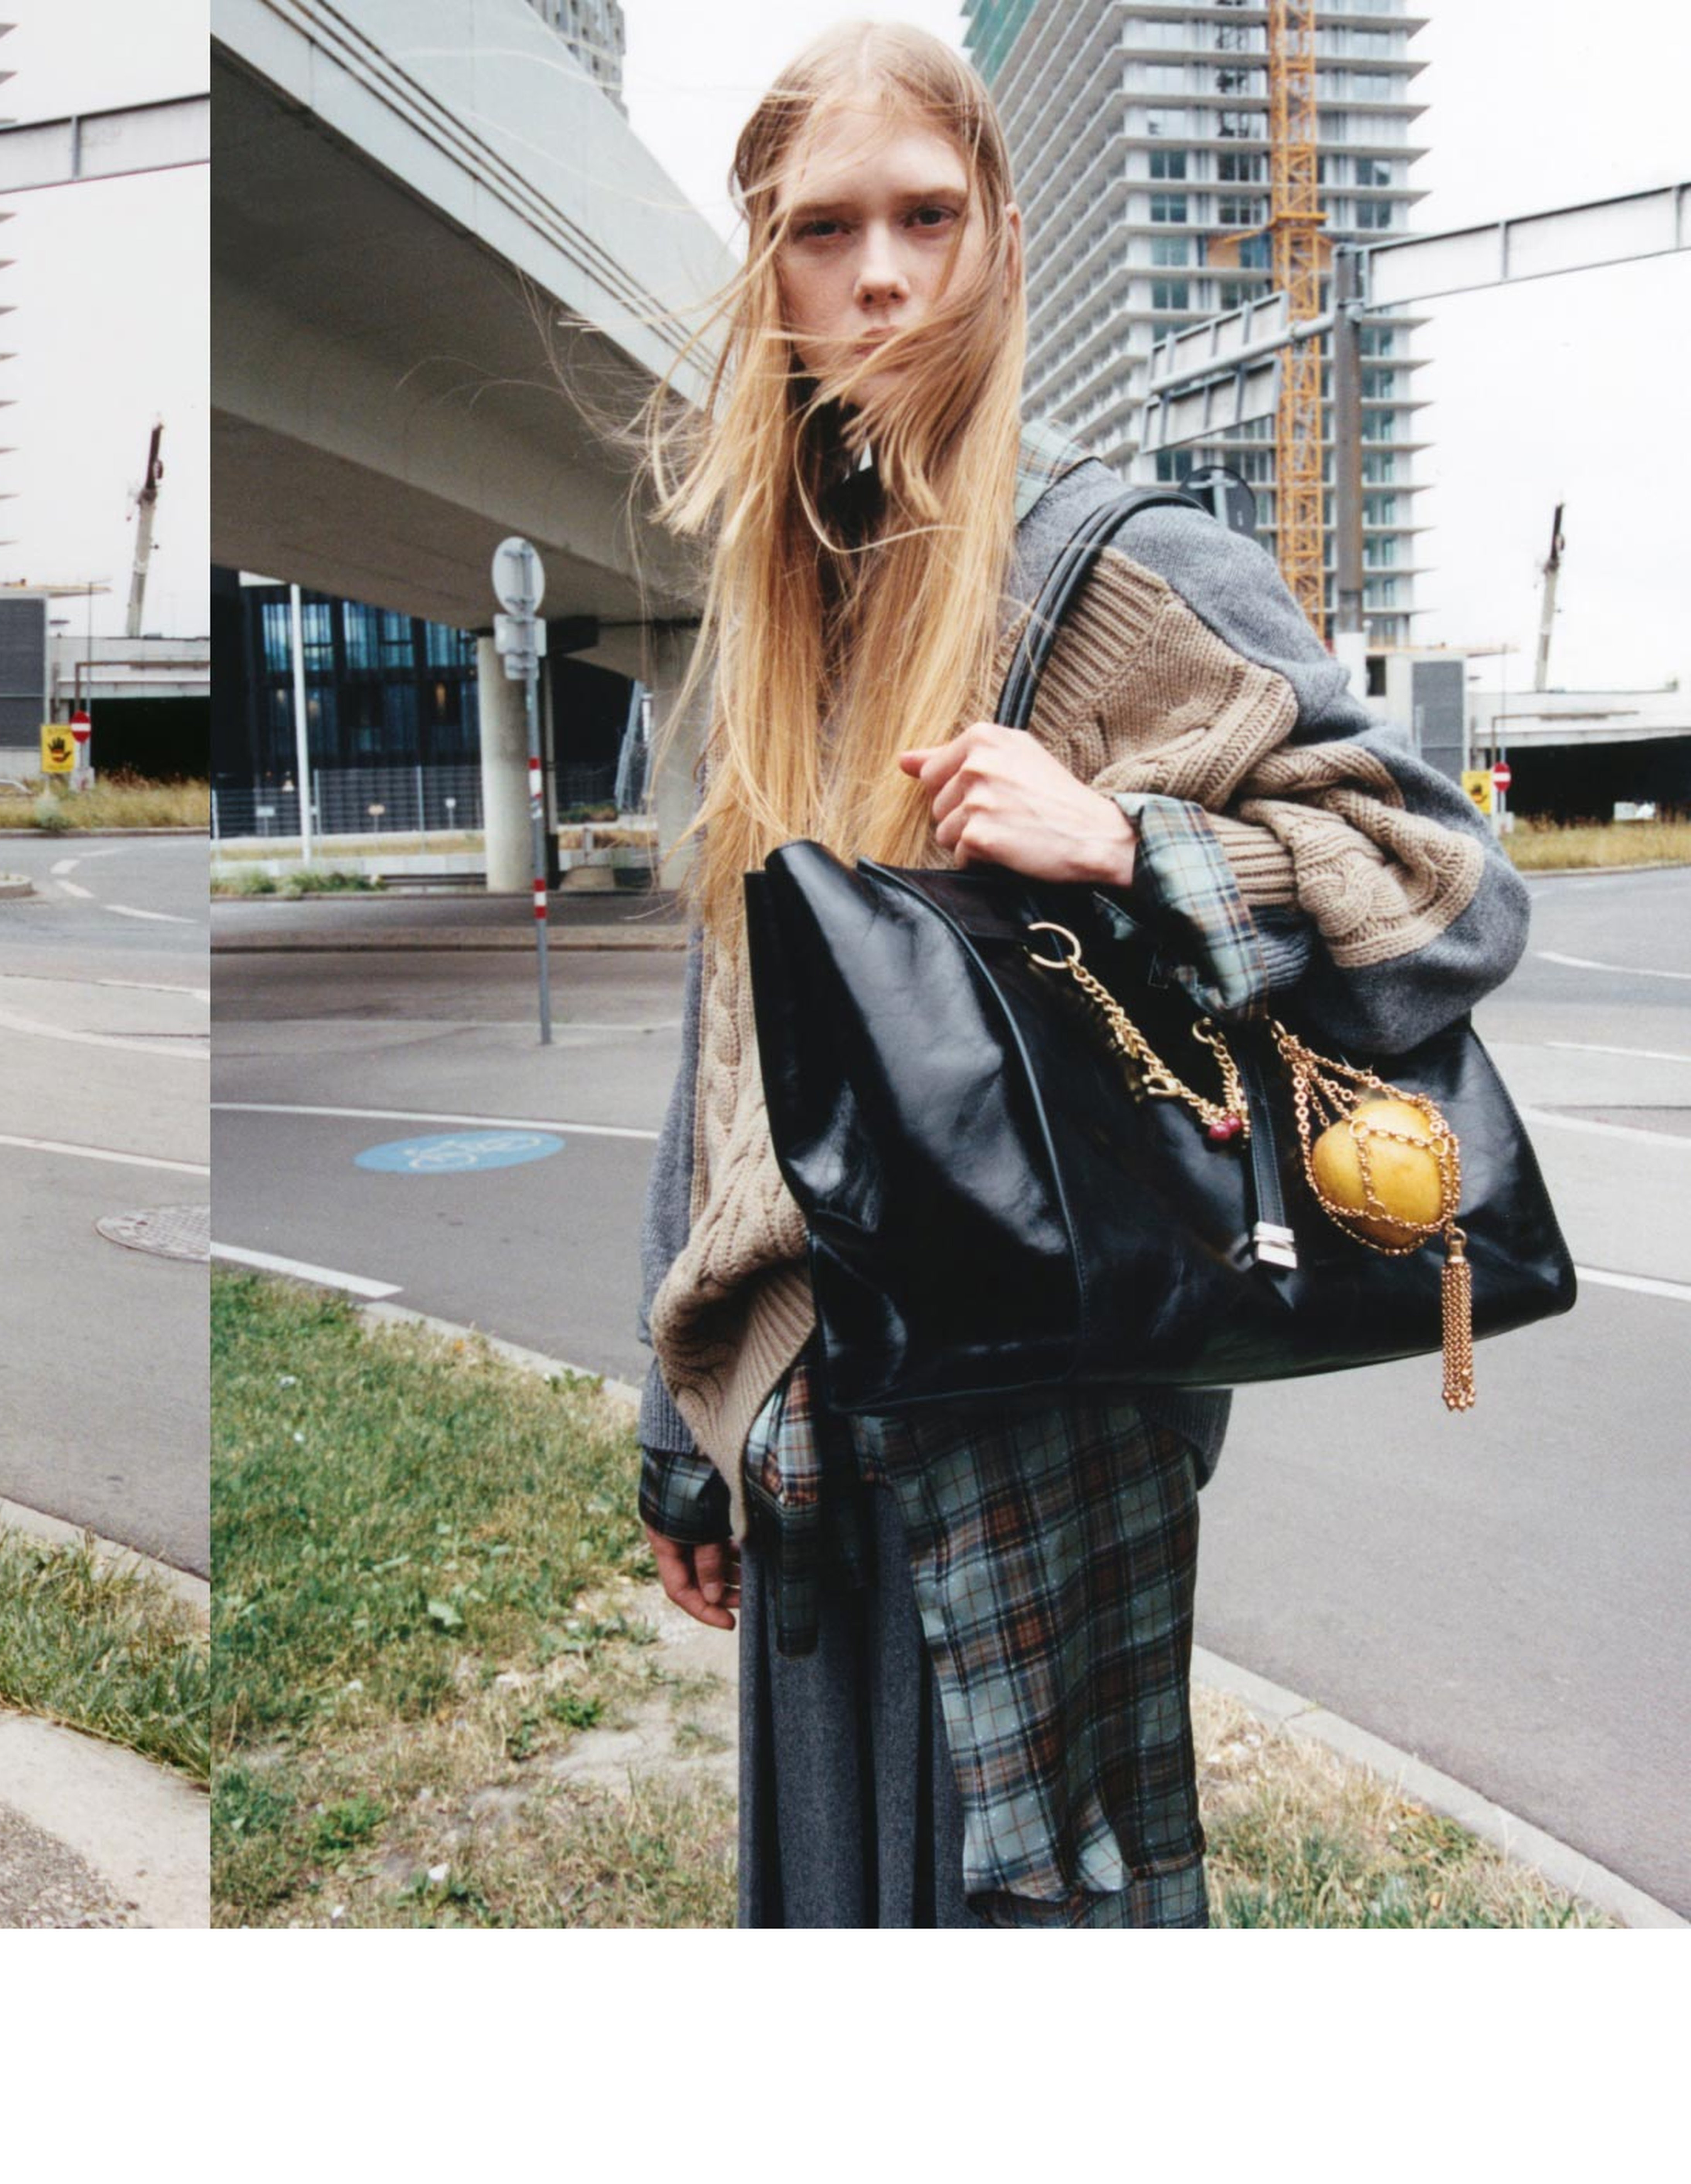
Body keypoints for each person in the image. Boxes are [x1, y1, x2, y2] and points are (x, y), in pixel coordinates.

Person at [629, 23, 1524, 1927]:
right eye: (822, 231)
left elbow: (1448, 887)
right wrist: (679, 1437)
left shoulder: (1117, 566)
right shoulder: (791, 605)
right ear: (766, 274)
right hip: (813, 1426)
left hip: (1044, 1423)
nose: (880, 276)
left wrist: (1131, 844)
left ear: (1004, 242)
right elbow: (733, 1052)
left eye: (927, 218)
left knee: (1038, 1928)